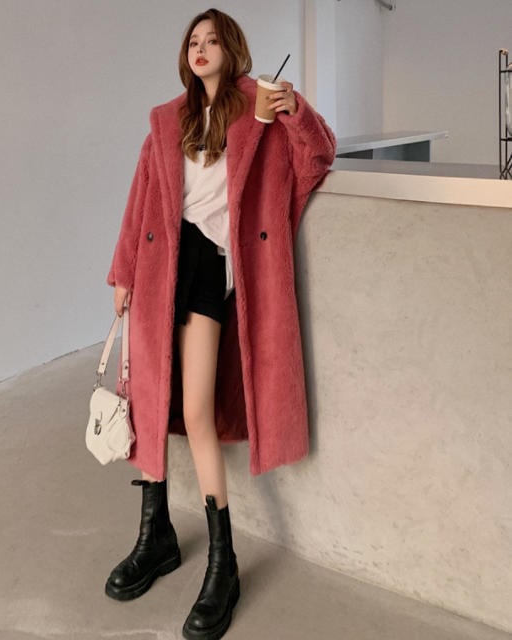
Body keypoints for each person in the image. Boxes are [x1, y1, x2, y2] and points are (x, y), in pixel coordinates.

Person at [104, 8, 336, 639]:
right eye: (193, 41)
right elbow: (141, 200)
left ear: (231, 48)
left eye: (211, 40)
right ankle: (154, 535)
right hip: (160, 265)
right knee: (149, 399)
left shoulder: (259, 109)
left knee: (197, 411)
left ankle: (223, 563)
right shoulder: (168, 120)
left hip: (209, 266)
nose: (200, 48)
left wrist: (294, 111)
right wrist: (123, 273)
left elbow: (318, 157)